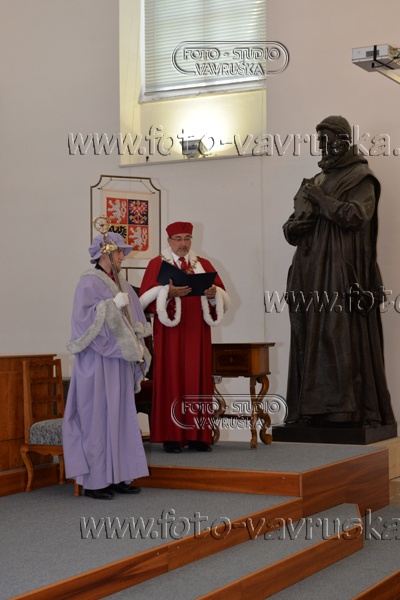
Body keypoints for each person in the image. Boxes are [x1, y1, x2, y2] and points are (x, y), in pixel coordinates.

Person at [282, 115, 395, 428]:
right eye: (319, 141)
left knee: (337, 336)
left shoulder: (360, 177)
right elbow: (292, 224)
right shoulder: (315, 180)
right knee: (307, 336)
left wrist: (322, 201)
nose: (321, 146)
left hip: (339, 271)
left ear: (343, 140)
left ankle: (343, 410)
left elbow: (357, 216)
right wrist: (293, 228)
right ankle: (309, 409)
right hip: (308, 270)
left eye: (326, 140)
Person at [62, 232, 152, 499]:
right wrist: (111, 306)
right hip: (97, 363)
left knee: (121, 418)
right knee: (98, 419)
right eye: (120, 252)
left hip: (118, 363)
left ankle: (119, 476)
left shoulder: (122, 283)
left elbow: (136, 320)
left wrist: (136, 346)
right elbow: (83, 324)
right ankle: (95, 482)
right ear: (106, 254)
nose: (123, 257)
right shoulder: (88, 282)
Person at [139, 221, 230, 452]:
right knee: (171, 379)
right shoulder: (157, 264)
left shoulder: (203, 264)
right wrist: (167, 293)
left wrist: (213, 294)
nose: (183, 243)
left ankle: (198, 436)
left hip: (198, 332)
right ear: (169, 241)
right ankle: (172, 437)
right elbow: (143, 301)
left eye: (187, 238)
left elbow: (222, 297)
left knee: (197, 378)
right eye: (178, 239)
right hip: (170, 333)